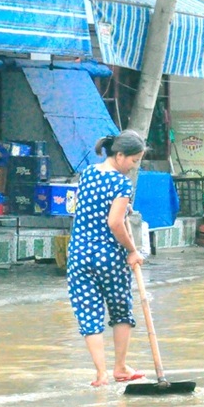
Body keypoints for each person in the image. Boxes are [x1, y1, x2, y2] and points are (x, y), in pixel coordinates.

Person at [67, 129, 147, 388]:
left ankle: (101, 374)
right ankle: (120, 368)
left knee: (88, 313)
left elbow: (89, 209)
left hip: (78, 254)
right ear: (120, 155)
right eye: (133, 161)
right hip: (108, 256)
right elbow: (115, 222)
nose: (134, 167)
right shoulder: (121, 184)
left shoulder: (88, 173)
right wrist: (132, 250)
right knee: (120, 310)